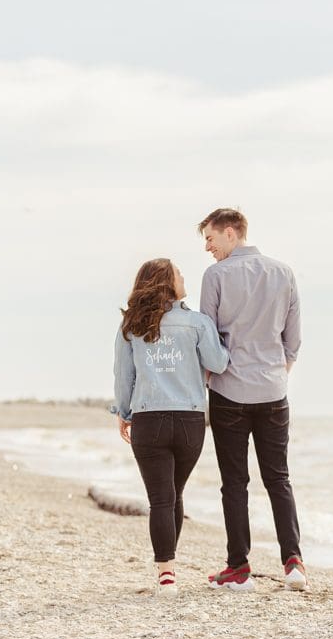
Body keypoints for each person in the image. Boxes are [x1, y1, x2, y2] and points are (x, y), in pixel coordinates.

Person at [197, 207, 307, 591]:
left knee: (235, 483)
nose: (208, 248)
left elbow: (207, 341)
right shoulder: (283, 273)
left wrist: (211, 379)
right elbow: (292, 341)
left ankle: (239, 568)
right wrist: (276, 375)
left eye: (210, 238)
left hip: (228, 391)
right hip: (274, 391)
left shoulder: (215, 276)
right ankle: (293, 563)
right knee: (279, 478)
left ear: (231, 232)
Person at [112, 258, 229, 596]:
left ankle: (166, 574)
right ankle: (168, 566)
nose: (183, 277)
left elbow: (123, 377)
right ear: (167, 282)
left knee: (161, 499)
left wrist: (123, 412)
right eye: (178, 273)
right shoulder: (196, 323)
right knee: (174, 494)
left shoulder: (130, 326)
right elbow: (219, 363)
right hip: (190, 420)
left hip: (149, 420)